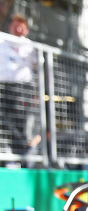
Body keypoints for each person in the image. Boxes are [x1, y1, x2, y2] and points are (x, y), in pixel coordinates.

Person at [0, 14, 41, 158]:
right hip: (5, 87)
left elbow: (37, 67)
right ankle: (15, 149)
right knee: (5, 118)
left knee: (23, 120)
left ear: (26, 29)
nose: (17, 28)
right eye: (15, 25)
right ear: (10, 27)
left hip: (23, 88)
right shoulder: (2, 41)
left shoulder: (29, 45)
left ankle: (25, 149)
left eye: (21, 26)